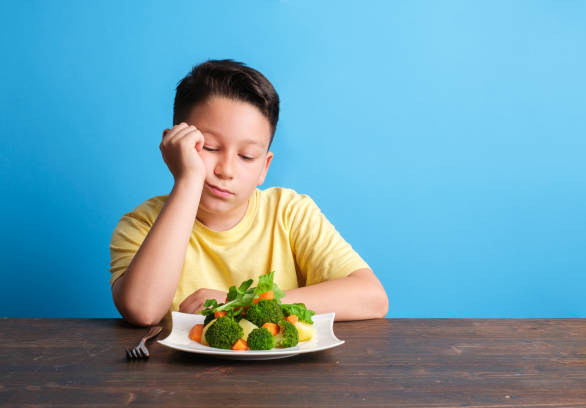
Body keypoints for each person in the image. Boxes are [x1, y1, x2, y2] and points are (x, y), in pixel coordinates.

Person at [109, 59, 388, 326]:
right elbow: (142, 310)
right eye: (209, 148)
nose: (226, 170)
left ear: (264, 167)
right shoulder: (142, 224)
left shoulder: (289, 213)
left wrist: (246, 302)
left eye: (246, 156)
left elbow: (372, 299)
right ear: (174, 144)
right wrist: (188, 180)